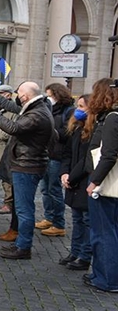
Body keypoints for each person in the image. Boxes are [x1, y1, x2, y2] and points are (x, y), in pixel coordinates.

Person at [0, 81, 52, 260]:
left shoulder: (37, 114)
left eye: (19, 95)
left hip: (27, 165)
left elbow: (14, 128)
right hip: (25, 163)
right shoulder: (36, 107)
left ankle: (23, 246)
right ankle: (21, 243)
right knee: (22, 207)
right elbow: (12, 107)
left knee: (24, 209)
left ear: (25, 97)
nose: (17, 99)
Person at [82, 78, 118, 293]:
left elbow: (109, 154)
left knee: (103, 232)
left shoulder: (113, 118)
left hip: (106, 183)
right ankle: (103, 274)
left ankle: (107, 279)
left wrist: (95, 180)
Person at [59, 94, 92, 271]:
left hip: (83, 179)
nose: (78, 110)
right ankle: (75, 251)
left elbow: (88, 159)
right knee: (77, 218)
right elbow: (67, 154)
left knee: (86, 220)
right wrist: (64, 173)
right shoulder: (76, 129)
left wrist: (72, 176)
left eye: (82, 107)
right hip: (72, 178)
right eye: (78, 106)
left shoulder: (94, 131)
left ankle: (85, 255)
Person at [37, 83, 75, 237]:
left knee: (54, 189)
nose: (49, 98)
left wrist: (50, 131)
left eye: (50, 95)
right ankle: (49, 217)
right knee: (45, 189)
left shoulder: (68, 111)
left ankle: (59, 223)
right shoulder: (49, 109)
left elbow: (67, 132)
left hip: (58, 154)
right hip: (46, 152)